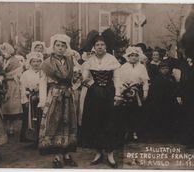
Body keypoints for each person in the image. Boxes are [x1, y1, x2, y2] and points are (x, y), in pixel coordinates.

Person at [80, 35, 121, 168]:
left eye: (102, 44)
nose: (100, 47)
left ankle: (110, 154)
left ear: (106, 46)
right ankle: (98, 152)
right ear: (94, 47)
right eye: (97, 45)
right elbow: (84, 79)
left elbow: (117, 79)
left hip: (109, 93)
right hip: (93, 95)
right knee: (95, 122)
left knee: (110, 123)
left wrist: (118, 95)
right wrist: (89, 83)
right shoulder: (89, 61)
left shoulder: (112, 59)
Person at [38, 34, 78, 168]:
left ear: (66, 47)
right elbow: (42, 82)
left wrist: (74, 87)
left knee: (68, 123)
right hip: (54, 96)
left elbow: (76, 78)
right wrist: (43, 101)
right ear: (53, 46)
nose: (60, 48)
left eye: (63, 46)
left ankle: (66, 154)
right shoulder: (47, 63)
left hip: (67, 95)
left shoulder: (70, 61)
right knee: (55, 123)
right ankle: (56, 156)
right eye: (58, 45)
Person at [116, 46, 149, 141]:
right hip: (126, 91)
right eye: (131, 56)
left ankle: (135, 132)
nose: (133, 57)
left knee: (136, 112)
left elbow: (145, 81)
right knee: (126, 112)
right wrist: (122, 88)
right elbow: (119, 80)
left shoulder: (142, 67)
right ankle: (126, 131)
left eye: (135, 56)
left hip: (137, 91)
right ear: (128, 57)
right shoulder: (123, 67)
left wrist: (145, 91)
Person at [148, 61, 181, 142]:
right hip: (160, 102)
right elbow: (154, 92)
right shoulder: (157, 79)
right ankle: (160, 135)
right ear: (159, 70)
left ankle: (169, 135)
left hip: (170, 101)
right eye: (163, 69)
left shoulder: (171, 78)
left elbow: (175, 88)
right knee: (160, 118)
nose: (165, 70)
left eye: (166, 68)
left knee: (170, 118)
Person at [0, 42, 23, 136]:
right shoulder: (0, 61)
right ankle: (4, 127)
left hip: (12, 85)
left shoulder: (15, 61)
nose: (3, 53)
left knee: (11, 107)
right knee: (3, 106)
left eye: (5, 51)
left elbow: (19, 74)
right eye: (2, 51)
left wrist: (7, 77)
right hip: (2, 85)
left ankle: (11, 127)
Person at [19, 52, 43, 143]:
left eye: (38, 61)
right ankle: (30, 137)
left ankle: (40, 137)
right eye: (34, 61)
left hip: (40, 98)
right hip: (30, 98)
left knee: (40, 117)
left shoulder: (43, 73)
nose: (36, 63)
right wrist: (25, 99)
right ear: (30, 62)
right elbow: (22, 87)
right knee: (30, 117)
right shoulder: (25, 74)